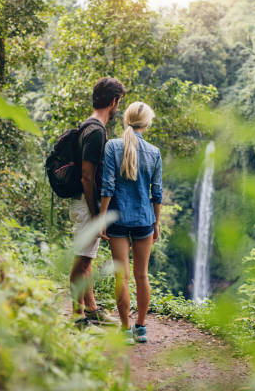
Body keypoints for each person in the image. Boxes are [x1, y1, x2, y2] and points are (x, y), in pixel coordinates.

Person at [99, 101, 162, 344]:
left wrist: (103, 218)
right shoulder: (154, 152)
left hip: (117, 218)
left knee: (121, 277)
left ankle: (125, 329)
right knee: (142, 276)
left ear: (126, 120)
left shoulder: (112, 146)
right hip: (144, 219)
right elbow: (156, 192)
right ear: (146, 123)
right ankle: (142, 327)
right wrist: (156, 222)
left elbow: (107, 186)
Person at [70, 77, 125, 328]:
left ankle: (91, 310)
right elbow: (87, 175)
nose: (117, 108)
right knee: (81, 261)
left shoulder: (87, 126)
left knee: (86, 258)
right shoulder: (96, 132)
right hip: (86, 203)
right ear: (113, 101)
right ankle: (77, 316)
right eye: (118, 103)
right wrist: (96, 215)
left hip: (82, 202)